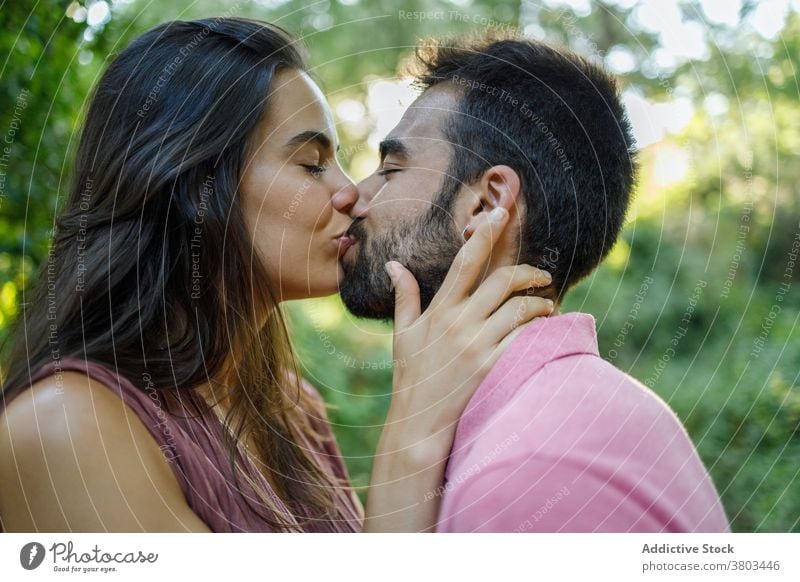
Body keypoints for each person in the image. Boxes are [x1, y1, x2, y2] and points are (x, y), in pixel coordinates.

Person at [0, 19, 555, 533]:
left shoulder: (292, 407)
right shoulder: (64, 430)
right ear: (198, 187)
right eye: (312, 163)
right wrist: (413, 434)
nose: (351, 193)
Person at [336, 36, 731, 532]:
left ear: (486, 202)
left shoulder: (531, 469)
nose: (355, 196)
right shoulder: (551, 417)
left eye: (392, 169)